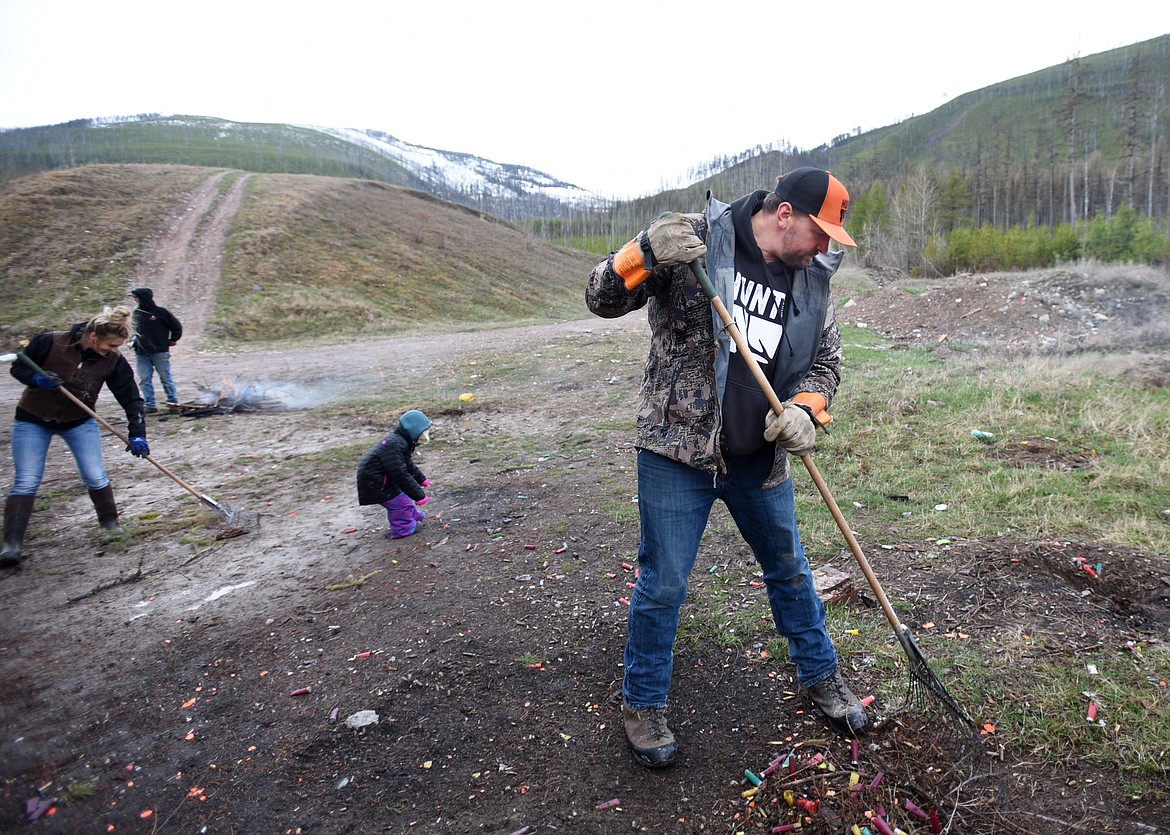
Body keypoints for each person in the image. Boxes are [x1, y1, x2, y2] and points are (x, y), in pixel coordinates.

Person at [585, 167, 869, 768]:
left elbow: (827, 364)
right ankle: (643, 703)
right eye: (819, 233)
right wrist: (641, 254)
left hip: (757, 463)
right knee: (663, 585)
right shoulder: (691, 241)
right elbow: (601, 297)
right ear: (785, 214)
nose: (824, 249)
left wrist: (805, 410)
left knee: (791, 571)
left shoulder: (811, 280)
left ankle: (821, 677)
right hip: (677, 454)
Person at [2, 305, 150, 569]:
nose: (113, 350)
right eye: (110, 345)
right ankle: (11, 545)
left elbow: (131, 398)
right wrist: (36, 379)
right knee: (26, 481)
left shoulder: (112, 360)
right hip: (33, 418)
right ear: (94, 337)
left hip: (78, 422)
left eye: (118, 346)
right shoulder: (50, 341)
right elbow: (18, 368)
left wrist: (137, 433)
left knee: (95, 475)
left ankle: (111, 526)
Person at [356, 409, 432, 539]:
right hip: (375, 483)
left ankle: (412, 515)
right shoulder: (395, 445)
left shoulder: (401, 442)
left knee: (403, 497)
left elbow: (408, 465)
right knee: (398, 503)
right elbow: (401, 474)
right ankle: (402, 529)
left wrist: (421, 480)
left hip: (383, 478)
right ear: (413, 430)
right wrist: (419, 496)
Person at [129, 287, 182, 413]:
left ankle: (173, 402)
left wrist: (171, 341)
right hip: (141, 353)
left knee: (165, 378)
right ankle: (150, 405)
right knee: (144, 379)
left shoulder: (161, 313)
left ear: (142, 298)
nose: (135, 299)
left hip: (160, 352)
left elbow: (177, 327)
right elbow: (132, 331)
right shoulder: (136, 314)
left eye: (136, 297)